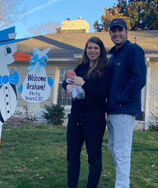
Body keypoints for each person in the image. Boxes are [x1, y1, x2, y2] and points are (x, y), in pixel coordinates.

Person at [62, 36, 111, 188]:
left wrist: (84, 83)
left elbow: (102, 95)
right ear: (86, 50)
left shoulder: (106, 70)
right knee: (72, 157)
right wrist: (67, 86)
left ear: (101, 51)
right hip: (76, 118)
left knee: (94, 159)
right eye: (90, 48)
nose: (92, 51)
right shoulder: (81, 67)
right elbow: (68, 80)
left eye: (96, 48)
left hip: (94, 120)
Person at [106, 18, 147, 188]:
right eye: (113, 31)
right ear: (110, 33)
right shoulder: (113, 56)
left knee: (121, 152)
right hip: (111, 110)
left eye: (119, 30)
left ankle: (122, 185)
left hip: (123, 110)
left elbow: (139, 79)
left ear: (126, 32)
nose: (116, 33)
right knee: (113, 149)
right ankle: (121, 182)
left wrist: (120, 98)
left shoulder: (133, 50)